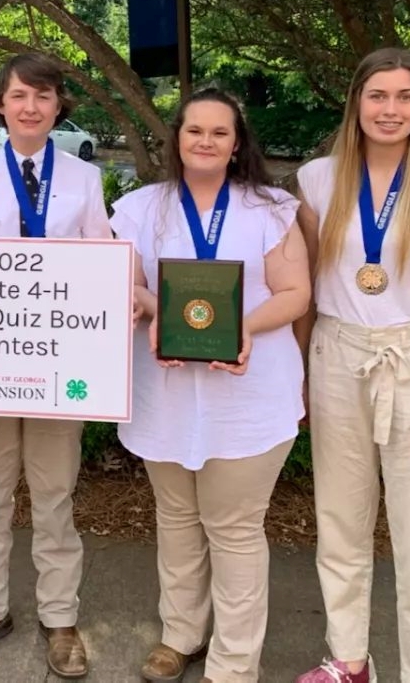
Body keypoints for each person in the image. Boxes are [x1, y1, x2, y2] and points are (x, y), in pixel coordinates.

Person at [293, 48, 410, 683]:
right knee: (340, 529)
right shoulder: (318, 179)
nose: (390, 109)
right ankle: (349, 661)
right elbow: (304, 290)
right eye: (378, 95)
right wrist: (296, 376)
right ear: (356, 102)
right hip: (336, 359)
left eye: (404, 97)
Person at [110, 87, 310, 683]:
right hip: (163, 392)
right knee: (174, 518)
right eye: (194, 130)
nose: (205, 141)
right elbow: (130, 284)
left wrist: (240, 329)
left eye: (219, 133)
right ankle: (181, 634)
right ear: (177, 138)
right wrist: (152, 311)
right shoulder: (142, 208)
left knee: (235, 528)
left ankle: (234, 661)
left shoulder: (271, 208)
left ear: (237, 143)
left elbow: (296, 293)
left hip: (248, 395)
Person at [0, 52, 111, 679]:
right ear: (1, 105)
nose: (30, 107)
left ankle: (60, 617)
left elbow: (102, 258)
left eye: (42, 96)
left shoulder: (85, 180)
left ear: (58, 104)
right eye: (18, 96)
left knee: (54, 495)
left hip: (57, 366)